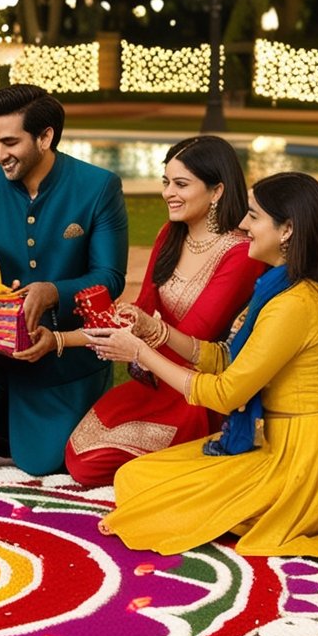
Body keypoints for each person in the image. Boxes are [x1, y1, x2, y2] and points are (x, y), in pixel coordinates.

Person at [87, 172, 318, 562]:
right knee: (140, 475)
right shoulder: (282, 287)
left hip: (305, 463)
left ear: (287, 231)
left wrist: (140, 353)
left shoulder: (293, 304)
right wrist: (155, 332)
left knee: (143, 483)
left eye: (253, 216)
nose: (242, 225)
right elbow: (227, 359)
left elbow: (226, 392)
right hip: (289, 443)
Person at [0, 84, 128, 475]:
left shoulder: (98, 186)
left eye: (9, 142)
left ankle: (32, 426)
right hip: (5, 348)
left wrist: (53, 292)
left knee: (46, 462)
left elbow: (110, 279)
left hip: (71, 350)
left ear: (45, 137)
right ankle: (16, 422)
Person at [64, 135, 264, 486]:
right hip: (153, 381)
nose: (168, 192)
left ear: (217, 190)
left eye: (181, 184)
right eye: (166, 182)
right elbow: (143, 309)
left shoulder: (240, 253)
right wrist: (59, 340)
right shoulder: (170, 235)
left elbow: (199, 336)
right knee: (78, 456)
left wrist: (140, 336)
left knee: (92, 465)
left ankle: (193, 463)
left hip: (197, 390)